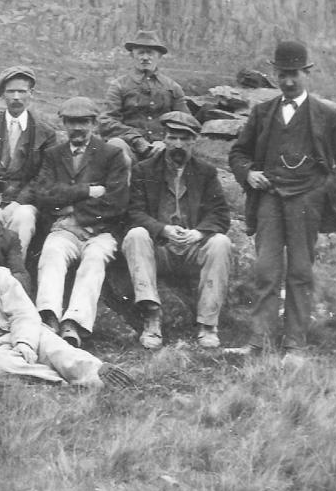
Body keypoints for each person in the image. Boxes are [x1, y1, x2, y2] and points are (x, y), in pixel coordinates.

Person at [229, 39, 336, 352]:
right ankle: (260, 341)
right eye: (282, 74)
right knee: (265, 270)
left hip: (307, 202)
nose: (288, 81)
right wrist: (248, 173)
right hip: (270, 199)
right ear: (275, 73)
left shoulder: (327, 115)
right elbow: (238, 152)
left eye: (295, 74)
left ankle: (294, 345)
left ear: (307, 72)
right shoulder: (262, 113)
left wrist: (325, 193)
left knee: (300, 271)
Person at [0, 232, 133, 388]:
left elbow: (23, 312)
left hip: (23, 332)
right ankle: (58, 383)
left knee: (58, 350)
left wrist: (24, 343)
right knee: (0, 365)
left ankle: (100, 375)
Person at [122, 112, 232, 350]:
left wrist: (199, 233)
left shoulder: (206, 172)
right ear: (164, 138)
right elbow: (134, 213)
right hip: (160, 249)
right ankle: (151, 319)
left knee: (221, 242)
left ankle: (208, 325)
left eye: (185, 139)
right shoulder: (144, 170)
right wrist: (163, 230)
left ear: (194, 141)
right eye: (173, 138)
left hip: (193, 248)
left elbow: (220, 214)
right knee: (135, 235)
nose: (178, 145)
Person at [34, 97, 129, 348]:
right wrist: (86, 191)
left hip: (101, 231)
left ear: (94, 123)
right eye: (71, 122)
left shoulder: (112, 154)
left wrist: (72, 208)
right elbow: (42, 194)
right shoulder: (54, 155)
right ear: (63, 123)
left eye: (83, 122)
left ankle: (73, 323)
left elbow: (116, 202)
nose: (77, 128)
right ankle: (49, 317)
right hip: (64, 229)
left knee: (95, 260)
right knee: (52, 251)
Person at [0, 65, 59, 257]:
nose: (16, 97)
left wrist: (18, 202)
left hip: (23, 201)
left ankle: (16, 271)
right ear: (2, 95)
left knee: (23, 217)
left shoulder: (45, 133)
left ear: (31, 94)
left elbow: (45, 176)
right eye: (11, 91)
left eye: (22, 91)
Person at [99, 30, 189, 165]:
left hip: (162, 149)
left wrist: (166, 141)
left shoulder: (172, 87)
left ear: (159, 56)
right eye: (141, 52)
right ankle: (121, 185)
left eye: (150, 53)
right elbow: (106, 121)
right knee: (115, 145)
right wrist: (135, 139)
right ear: (132, 55)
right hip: (129, 148)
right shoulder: (119, 86)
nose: (145, 57)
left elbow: (185, 122)